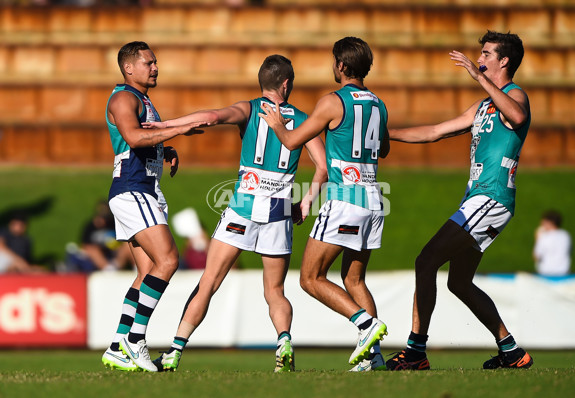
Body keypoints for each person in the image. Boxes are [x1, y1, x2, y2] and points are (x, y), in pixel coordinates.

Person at [143, 54, 327, 372]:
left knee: (209, 282)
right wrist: (307, 201)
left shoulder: (249, 109)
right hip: (280, 211)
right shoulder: (303, 117)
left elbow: (212, 117)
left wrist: (168, 125)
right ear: (287, 84)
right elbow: (322, 167)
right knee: (275, 290)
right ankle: (283, 341)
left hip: (243, 208)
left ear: (264, 83)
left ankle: (174, 351)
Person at [386, 31, 533, 370]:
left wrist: (478, 76)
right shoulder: (482, 107)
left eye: (485, 53)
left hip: (491, 198)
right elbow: (436, 130)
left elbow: (519, 117)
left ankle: (416, 351)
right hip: (479, 200)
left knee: (425, 260)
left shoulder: (515, 95)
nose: (479, 58)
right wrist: (386, 134)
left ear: (504, 60)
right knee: (458, 282)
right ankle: (511, 351)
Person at [260, 37, 390, 372]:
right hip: (375, 198)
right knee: (354, 280)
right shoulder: (378, 103)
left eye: (335, 61)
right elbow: (384, 148)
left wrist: (276, 124)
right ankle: (374, 359)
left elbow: (292, 141)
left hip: (345, 199)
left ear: (342, 65)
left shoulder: (333, 101)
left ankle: (366, 325)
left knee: (310, 278)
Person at [100, 41, 204, 372]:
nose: (155, 67)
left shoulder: (141, 99)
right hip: (134, 190)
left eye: (156, 62)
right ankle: (135, 339)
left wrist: (165, 150)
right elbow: (132, 138)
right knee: (169, 259)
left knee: (146, 272)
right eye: (149, 62)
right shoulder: (123, 98)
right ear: (128, 68)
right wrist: (182, 127)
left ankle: (118, 344)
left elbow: (142, 141)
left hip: (141, 188)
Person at [66, 200, 133, 272]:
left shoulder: (113, 224)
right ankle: (108, 269)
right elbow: (85, 245)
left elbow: (122, 240)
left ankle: (137, 268)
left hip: (114, 253)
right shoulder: (90, 226)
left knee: (128, 245)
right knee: (92, 249)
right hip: (97, 254)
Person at [534, 210, 571, 277]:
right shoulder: (566, 235)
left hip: (546, 274)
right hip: (564, 272)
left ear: (549, 222)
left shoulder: (543, 237)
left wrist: (537, 239)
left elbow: (536, 256)